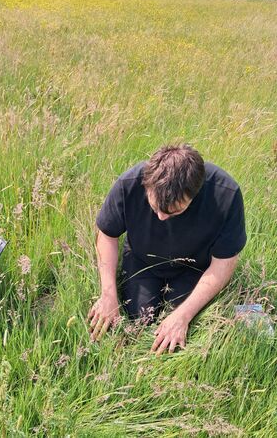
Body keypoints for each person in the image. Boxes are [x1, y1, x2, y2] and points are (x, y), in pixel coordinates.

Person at [88, 144, 246, 354]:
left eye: (174, 212)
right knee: (140, 318)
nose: (162, 217)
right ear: (147, 184)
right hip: (142, 262)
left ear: (196, 193)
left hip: (195, 268)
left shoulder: (226, 194)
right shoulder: (130, 183)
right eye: (155, 208)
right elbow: (107, 234)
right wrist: (108, 295)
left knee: (179, 334)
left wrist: (183, 316)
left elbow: (225, 262)